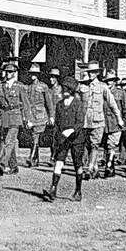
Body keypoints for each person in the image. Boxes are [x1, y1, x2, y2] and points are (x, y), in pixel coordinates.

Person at [41, 75, 85, 203]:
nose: (63, 91)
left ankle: (78, 190)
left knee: (78, 164)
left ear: (71, 90)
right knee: (59, 162)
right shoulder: (59, 105)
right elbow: (58, 124)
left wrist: (71, 130)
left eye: (66, 89)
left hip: (77, 139)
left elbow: (80, 122)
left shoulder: (78, 104)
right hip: (63, 139)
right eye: (63, 88)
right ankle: (53, 189)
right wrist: (57, 138)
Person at [81, 62, 122, 178]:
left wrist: (119, 118)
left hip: (98, 121)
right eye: (89, 72)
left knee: (95, 144)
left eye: (93, 72)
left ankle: (89, 169)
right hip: (85, 121)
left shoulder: (103, 87)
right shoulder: (83, 87)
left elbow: (112, 103)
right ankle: (95, 169)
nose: (90, 74)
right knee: (88, 145)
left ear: (98, 73)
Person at [20, 62, 54, 168]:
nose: (32, 75)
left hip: (41, 116)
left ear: (38, 74)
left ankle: (31, 158)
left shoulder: (44, 87)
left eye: (34, 73)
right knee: (33, 137)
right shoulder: (27, 87)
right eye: (31, 73)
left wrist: (51, 116)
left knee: (35, 136)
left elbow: (49, 103)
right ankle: (36, 159)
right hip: (31, 116)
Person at [0, 59, 24, 175]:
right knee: (7, 140)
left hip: (15, 116)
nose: (8, 74)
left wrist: (29, 119)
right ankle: (14, 166)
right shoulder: (0, 86)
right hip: (4, 116)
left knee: (9, 140)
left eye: (10, 72)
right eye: (6, 72)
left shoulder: (19, 86)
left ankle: (2, 163)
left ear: (14, 73)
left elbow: (25, 104)